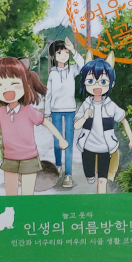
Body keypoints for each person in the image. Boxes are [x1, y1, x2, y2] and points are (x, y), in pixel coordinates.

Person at [0, 57, 68, 195]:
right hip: (10, 159)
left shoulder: (29, 111)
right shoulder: (0, 113)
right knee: (11, 196)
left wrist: (61, 139)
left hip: (29, 159)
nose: (7, 90)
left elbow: (46, 123)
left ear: (25, 84)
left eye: (14, 83)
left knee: (27, 196)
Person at [74, 51, 132, 194]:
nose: (97, 86)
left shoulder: (110, 105)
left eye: (103, 82)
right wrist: (84, 117)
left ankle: (100, 203)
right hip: (87, 146)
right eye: (91, 81)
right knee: (90, 175)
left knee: (102, 180)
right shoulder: (86, 104)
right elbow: (76, 125)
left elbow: (124, 120)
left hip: (106, 148)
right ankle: (90, 175)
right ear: (84, 82)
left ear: (111, 83)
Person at [43, 38, 84, 188]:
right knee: (57, 142)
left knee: (68, 143)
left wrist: (73, 49)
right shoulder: (52, 74)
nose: (64, 55)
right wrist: (47, 113)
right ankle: (58, 165)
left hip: (70, 110)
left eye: (66, 52)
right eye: (60, 53)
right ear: (54, 56)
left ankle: (68, 175)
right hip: (55, 111)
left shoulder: (72, 69)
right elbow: (48, 95)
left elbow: (84, 66)